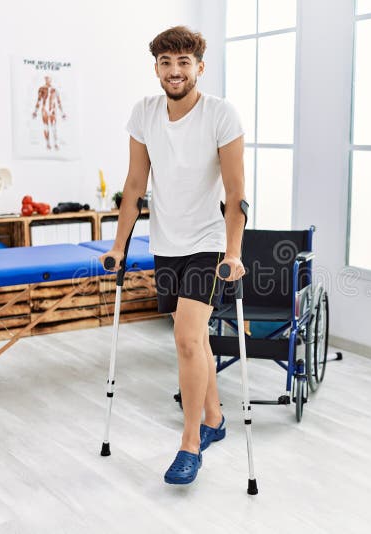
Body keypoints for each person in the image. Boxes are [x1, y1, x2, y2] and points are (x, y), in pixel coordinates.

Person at [99, 25, 247, 485]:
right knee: (195, 338)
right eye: (166, 63)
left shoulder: (221, 115)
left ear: (199, 67)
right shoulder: (144, 114)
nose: (175, 70)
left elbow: (236, 190)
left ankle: (190, 442)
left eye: (184, 62)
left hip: (207, 243)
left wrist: (234, 251)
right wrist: (119, 245)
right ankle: (216, 419)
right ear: (157, 69)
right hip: (165, 244)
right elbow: (135, 186)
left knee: (185, 338)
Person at [32, 75, 67, 150]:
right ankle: (48, 144)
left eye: (49, 79)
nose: (48, 80)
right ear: (45, 79)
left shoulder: (54, 90)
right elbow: (39, 100)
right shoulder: (42, 89)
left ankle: (55, 143)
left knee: (54, 127)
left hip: (52, 110)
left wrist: (62, 113)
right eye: (47, 79)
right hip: (45, 110)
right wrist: (35, 111)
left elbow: (58, 102)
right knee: (46, 127)